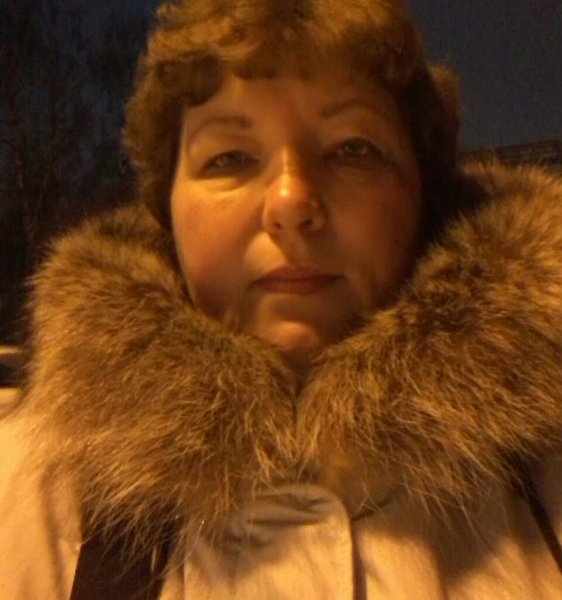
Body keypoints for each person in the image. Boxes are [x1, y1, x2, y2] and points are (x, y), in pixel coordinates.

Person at [1, 0, 561, 597]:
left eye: (352, 149)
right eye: (230, 158)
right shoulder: (29, 495)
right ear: (167, 213)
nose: (291, 203)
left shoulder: (545, 468)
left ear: (426, 195)